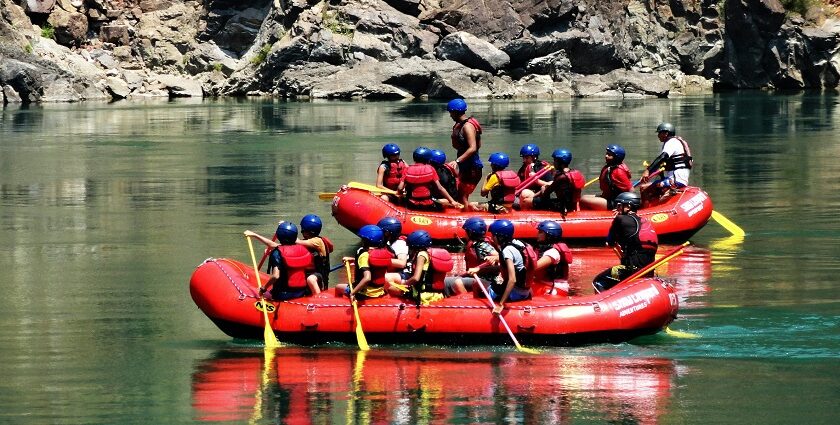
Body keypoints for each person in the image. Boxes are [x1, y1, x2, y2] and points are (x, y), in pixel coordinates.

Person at [592, 192, 659, 293]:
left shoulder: (620, 219)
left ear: (628, 206)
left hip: (632, 271)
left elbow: (609, 242)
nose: (616, 209)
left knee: (598, 281)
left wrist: (616, 219)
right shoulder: (644, 221)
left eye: (619, 206)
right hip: (649, 272)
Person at [244, 222, 319, 300]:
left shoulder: (277, 253)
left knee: (257, 293)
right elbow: (272, 244)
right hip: (301, 292)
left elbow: (276, 276)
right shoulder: (302, 249)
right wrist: (254, 235)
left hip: (283, 294)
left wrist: (264, 288)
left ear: (279, 236)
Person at [387, 230, 463, 304]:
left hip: (421, 295)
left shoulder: (421, 255)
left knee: (390, 289)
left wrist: (403, 285)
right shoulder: (428, 253)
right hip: (435, 294)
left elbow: (416, 278)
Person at [486, 219, 533, 314]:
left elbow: (512, 279)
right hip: (525, 291)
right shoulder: (519, 243)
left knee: (483, 287)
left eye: (493, 235)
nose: (492, 238)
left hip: (515, 293)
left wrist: (501, 304)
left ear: (500, 236)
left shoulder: (507, 250)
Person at [336, 225, 394, 300]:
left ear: (365, 241)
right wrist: (354, 260)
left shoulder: (364, 255)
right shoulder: (382, 253)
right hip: (380, 292)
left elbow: (367, 278)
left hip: (364, 293)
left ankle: (338, 304)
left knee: (338, 287)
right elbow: (372, 264)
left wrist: (353, 293)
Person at [641, 122, 693, 202]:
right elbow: (668, 163)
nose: (658, 135)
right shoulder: (677, 142)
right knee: (655, 186)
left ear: (666, 133)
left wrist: (648, 171)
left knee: (643, 188)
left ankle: (645, 211)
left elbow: (662, 157)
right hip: (680, 179)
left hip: (676, 181)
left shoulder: (671, 142)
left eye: (659, 133)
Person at [522, 148, 585, 214]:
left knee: (526, 201)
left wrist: (540, 191)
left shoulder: (561, 177)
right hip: (571, 205)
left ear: (560, 162)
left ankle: (526, 218)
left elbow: (546, 193)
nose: (553, 163)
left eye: (555, 160)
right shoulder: (574, 173)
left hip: (561, 206)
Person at [446, 98, 483, 206]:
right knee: (459, 194)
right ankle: (464, 212)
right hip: (465, 166)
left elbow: (473, 148)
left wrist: (457, 161)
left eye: (451, 113)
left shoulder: (467, 126)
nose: (450, 115)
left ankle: (465, 219)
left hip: (472, 168)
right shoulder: (460, 125)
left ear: (455, 112)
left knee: (462, 196)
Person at [398, 146, 461, 211]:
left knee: (401, 198)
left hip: (412, 204)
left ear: (414, 158)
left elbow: (400, 188)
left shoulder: (407, 170)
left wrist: (399, 192)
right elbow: (440, 188)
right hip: (428, 205)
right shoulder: (431, 169)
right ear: (428, 159)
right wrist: (452, 201)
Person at [579, 144, 633, 210]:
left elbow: (631, 190)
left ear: (616, 157)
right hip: (607, 197)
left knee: (583, 200)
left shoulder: (618, 172)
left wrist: (625, 207)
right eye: (606, 154)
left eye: (609, 155)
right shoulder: (610, 168)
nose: (606, 156)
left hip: (615, 202)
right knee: (584, 197)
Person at [459, 217, 501, 293]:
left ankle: (467, 300)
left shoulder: (482, 245)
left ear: (470, 233)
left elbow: (499, 256)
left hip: (484, 279)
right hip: (475, 276)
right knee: (453, 278)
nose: (465, 234)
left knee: (456, 282)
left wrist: (495, 257)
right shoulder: (475, 244)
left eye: (466, 232)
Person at [532, 220, 573, 296]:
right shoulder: (542, 249)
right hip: (543, 284)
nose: (538, 234)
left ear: (549, 235)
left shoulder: (553, 252)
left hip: (554, 288)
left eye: (540, 232)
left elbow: (534, 267)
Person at [296, 214, 334, 291]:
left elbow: (295, 241)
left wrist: (285, 230)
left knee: (311, 279)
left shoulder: (317, 241)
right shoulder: (309, 242)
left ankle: (319, 298)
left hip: (319, 278)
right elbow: (290, 246)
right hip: (311, 275)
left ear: (306, 230)